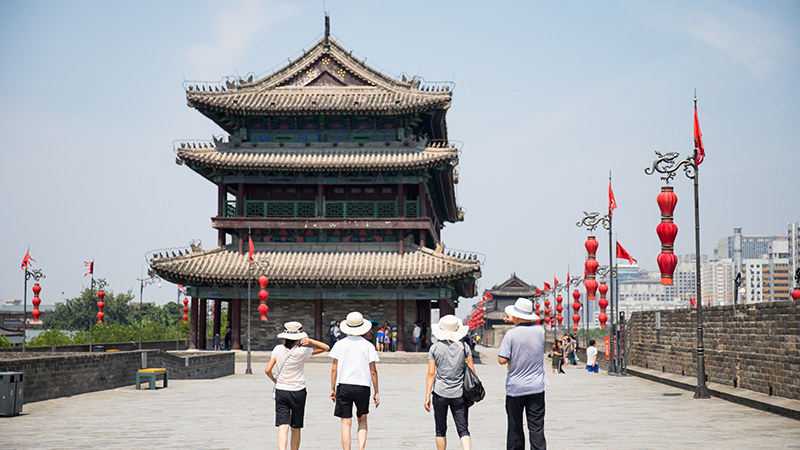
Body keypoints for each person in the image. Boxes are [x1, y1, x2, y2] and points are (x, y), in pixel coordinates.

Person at [265, 322, 330, 450]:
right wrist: (310, 340)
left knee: (283, 426)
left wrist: (275, 380)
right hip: (298, 390)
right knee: (296, 426)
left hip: (282, 390)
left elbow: (267, 370)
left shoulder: (277, 349)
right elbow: (325, 347)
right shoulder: (302, 352)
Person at [498, 298, 548, 450]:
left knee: (515, 428)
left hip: (516, 387)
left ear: (518, 317)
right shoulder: (540, 331)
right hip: (536, 386)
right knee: (536, 428)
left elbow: (502, 359)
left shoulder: (511, 334)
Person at [330, 312, 380, 450]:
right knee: (362, 419)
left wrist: (332, 388)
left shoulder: (340, 344)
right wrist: (377, 391)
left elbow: (334, 368)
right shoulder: (368, 345)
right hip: (363, 386)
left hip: (344, 385)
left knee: (346, 423)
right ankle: (361, 448)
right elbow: (373, 371)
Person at [425, 315, 475, 450]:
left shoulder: (435, 348)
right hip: (459, 394)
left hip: (440, 393)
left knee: (440, 430)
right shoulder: (464, 347)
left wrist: (427, 396)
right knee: (463, 429)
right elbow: (472, 371)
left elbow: (431, 373)